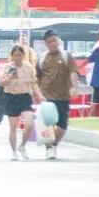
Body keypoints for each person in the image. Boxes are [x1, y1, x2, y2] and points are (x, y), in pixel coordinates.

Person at [36, 30, 80, 160]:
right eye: (49, 42)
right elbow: (37, 77)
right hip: (46, 96)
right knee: (46, 124)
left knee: (62, 125)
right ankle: (49, 148)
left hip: (63, 95)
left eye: (54, 40)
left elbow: (73, 73)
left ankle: (54, 144)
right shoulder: (42, 58)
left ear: (58, 40)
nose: (53, 44)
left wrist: (74, 87)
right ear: (46, 44)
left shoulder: (66, 56)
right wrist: (36, 93)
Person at [0, 45, 44, 160]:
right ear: (12, 56)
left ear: (23, 55)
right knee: (13, 127)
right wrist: (10, 77)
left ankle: (23, 145)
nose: (17, 58)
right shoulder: (7, 67)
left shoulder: (28, 67)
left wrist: (39, 95)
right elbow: (1, 83)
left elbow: (34, 84)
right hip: (11, 97)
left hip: (25, 97)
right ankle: (13, 151)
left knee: (29, 123)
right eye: (15, 55)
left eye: (19, 55)